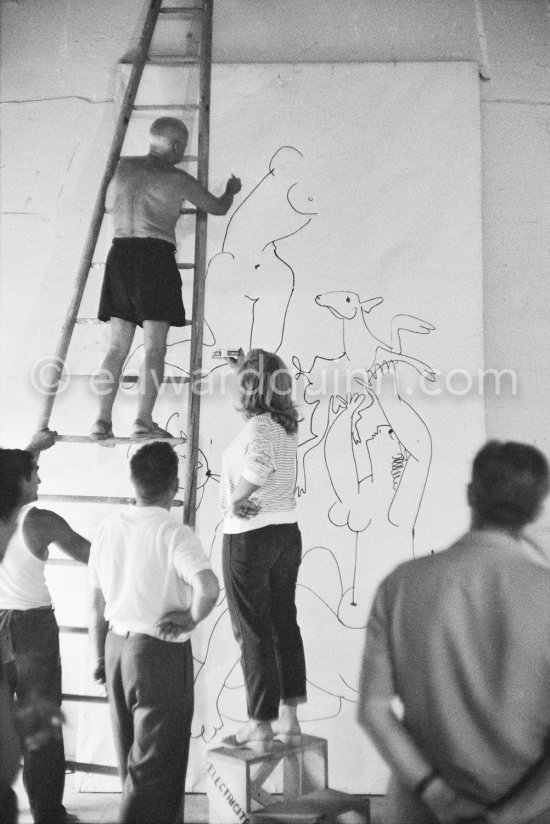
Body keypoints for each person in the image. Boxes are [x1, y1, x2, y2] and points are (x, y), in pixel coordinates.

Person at [357, 440, 550, 824]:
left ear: (471, 495)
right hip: (531, 812)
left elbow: (373, 711)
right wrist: (504, 817)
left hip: (422, 810)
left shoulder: (401, 585)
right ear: (537, 509)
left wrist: (439, 796)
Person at [88, 441, 219, 824]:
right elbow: (209, 587)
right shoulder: (174, 532)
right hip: (157, 654)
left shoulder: (108, 528)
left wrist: (99, 656)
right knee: (153, 771)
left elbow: (95, 602)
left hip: (115, 648)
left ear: (133, 481)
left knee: (131, 762)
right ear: (174, 485)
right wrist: (191, 618)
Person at [92, 116, 242, 442]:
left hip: (119, 255)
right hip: (154, 258)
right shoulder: (176, 178)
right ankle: (142, 421)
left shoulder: (122, 167)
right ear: (175, 145)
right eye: (182, 146)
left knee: (116, 348)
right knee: (154, 349)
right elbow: (217, 208)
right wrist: (230, 191)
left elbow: (106, 203)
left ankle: (101, 422)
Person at [219, 349, 307, 752]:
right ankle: (289, 719)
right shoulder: (284, 426)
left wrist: (237, 499)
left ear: (250, 388)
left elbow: (258, 465)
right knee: (283, 624)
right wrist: (245, 369)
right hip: (285, 534)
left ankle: (259, 723)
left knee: (252, 631)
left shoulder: (258, 428)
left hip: (249, 538)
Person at [0, 444, 90, 824]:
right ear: (21, 481)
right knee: (40, 724)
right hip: (32, 628)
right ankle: (48, 814)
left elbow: (7, 467)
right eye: (34, 473)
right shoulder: (38, 520)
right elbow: (92, 555)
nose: (40, 479)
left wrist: (31, 449)